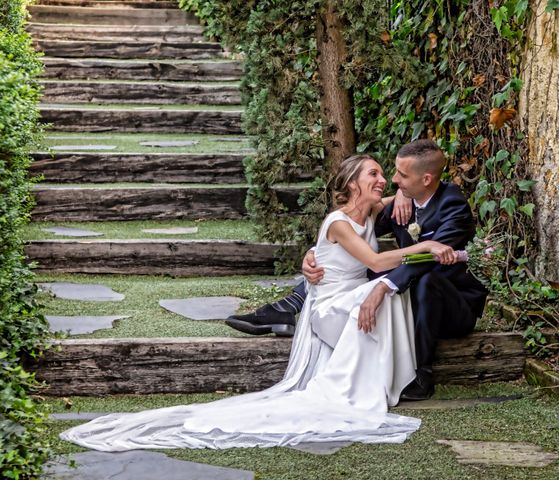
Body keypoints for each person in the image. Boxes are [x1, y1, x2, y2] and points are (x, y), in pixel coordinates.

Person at [59, 154, 459, 452]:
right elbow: (372, 261)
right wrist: (423, 245)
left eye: (384, 175)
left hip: (345, 295)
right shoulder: (339, 221)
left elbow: (403, 200)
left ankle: (387, 382)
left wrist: (400, 198)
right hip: (327, 309)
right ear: (352, 183)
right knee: (379, 289)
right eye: (373, 173)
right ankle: (364, 388)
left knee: (385, 292)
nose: (383, 180)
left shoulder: (372, 208)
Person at [227, 139, 488, 401]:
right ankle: (289, 306)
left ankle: (422, 374)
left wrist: (383, 286)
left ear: (427, 179)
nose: (393, 180)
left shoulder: (452, 204)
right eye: (388, 173)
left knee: (411, 279)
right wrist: (316, 253)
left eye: (400, 175)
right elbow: (348, 236)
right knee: (369, 275)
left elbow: (428, 259)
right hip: (376, 292)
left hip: (450, 303)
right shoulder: (402, 200)